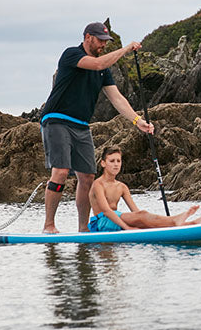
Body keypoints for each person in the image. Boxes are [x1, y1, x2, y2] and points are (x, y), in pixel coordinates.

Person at [40, 21, 154, 233]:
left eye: (106, 41)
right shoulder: (71, 55)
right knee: (62, 171)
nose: (103, 44)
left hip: (82, 125)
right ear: (87, 37)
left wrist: (138, 121)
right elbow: (98, 63)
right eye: (100, 40)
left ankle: (83, 229)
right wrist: (127, 48)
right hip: (56, 119)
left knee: (88, 177)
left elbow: (117, 98)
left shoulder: (104, 72)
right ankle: (49, 225)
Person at [89, 145, 201, 231]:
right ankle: (175, 221)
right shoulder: (98, 184)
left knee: (144, 219)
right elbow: (106, 211)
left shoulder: (122, 187)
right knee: (143, 216)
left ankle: (192, 224)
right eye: (112, 161)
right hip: (101, 223)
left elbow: (136, 212)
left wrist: (142, 223)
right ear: (103, 163)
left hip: (118, 220)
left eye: (119, 161)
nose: (116, 165)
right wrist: (128, 228)